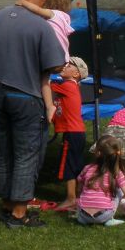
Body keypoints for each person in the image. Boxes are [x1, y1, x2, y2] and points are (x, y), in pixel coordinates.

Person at [0, 0, 66, 228]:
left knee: (3, 150)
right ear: (44, 0)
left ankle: (7, 204)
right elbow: (56, 64)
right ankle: (20, 213)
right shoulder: (41, 26)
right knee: (26, 153)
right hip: (26, 95)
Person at [17, 0, 75, 121]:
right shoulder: (65, 18)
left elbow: (37, 10)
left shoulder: (54, 13)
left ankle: (45, 104)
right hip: (63, 58)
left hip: (52, 56)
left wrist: (24, 2)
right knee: (45, 80)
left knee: (43, 79)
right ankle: (50, 106)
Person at [50, 55, 89, 212]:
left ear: (76, 73)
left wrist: (48, 70)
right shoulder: (69, 86)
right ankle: (79, 196)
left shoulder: (68, 86)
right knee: (76, 164)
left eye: (69, 65)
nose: (64, 66)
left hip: (72, 133)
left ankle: (71, 198)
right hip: (76, 132)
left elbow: (46, 85)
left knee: (68, 165)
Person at [75, 135, 125, 226]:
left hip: (83, 214)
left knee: (85, 190)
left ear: (97, 152)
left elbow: (79, 188)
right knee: (119, 190)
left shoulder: (87, 168)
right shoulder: (116, 173)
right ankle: (109, 219)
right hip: (103, 215)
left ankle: (83, 219)